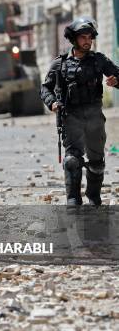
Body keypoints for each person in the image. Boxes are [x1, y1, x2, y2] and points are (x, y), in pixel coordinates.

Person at [39, 16, 119, 206]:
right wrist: (52, 103)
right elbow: (45, 88)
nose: (87, 41)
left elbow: (117, 74)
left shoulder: (99, 60)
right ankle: (73, 198)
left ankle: (93, 195)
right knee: (72, 160)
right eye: (83, 37)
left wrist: (116, 81)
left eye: (89, 37)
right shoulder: (60, 64)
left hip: (94, 119)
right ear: (74, 39)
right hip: (71, 118)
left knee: (97, 163)